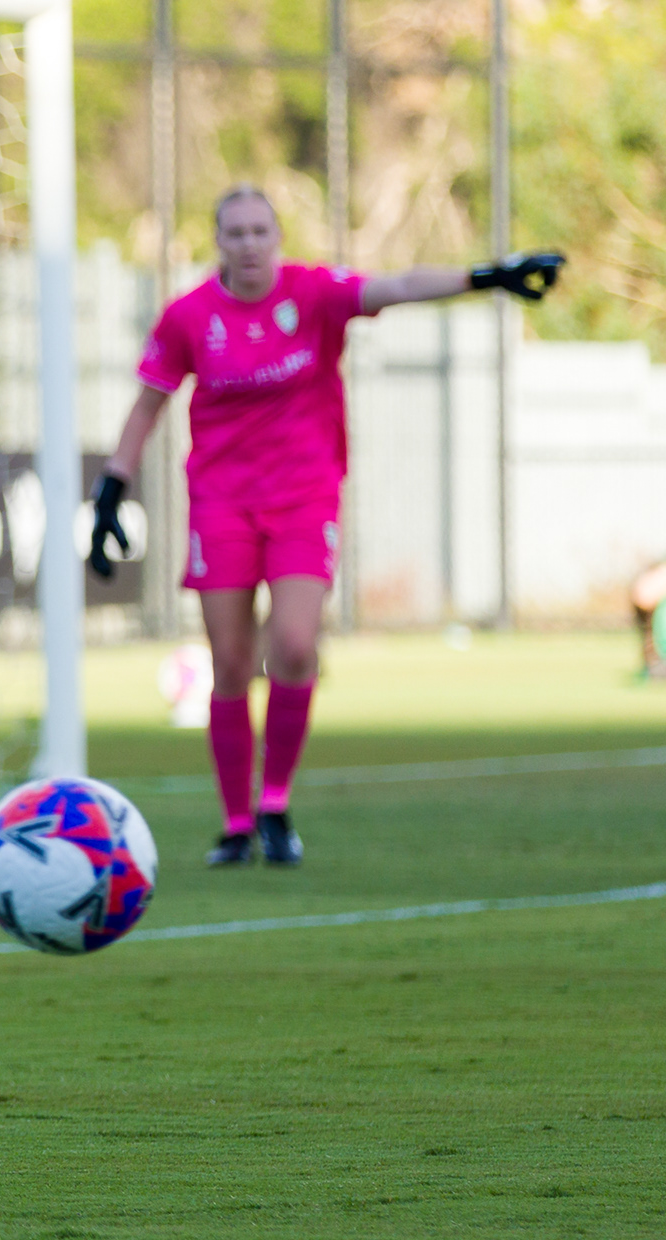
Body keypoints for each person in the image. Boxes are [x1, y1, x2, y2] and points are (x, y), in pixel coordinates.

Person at [89, 186, 563, 867]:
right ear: (218, 242)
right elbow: (147, 406)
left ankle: (275, 804)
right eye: (235, 233)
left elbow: (398, 286)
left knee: (294, 644)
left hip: (304, 500)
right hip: (221, 503)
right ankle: (235, 823)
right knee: (230, 663)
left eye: (260, 231)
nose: (249, 245)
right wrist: (112, 487)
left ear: (277, 238)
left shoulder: (313, 295)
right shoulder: (189, 317)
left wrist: (485, 277)